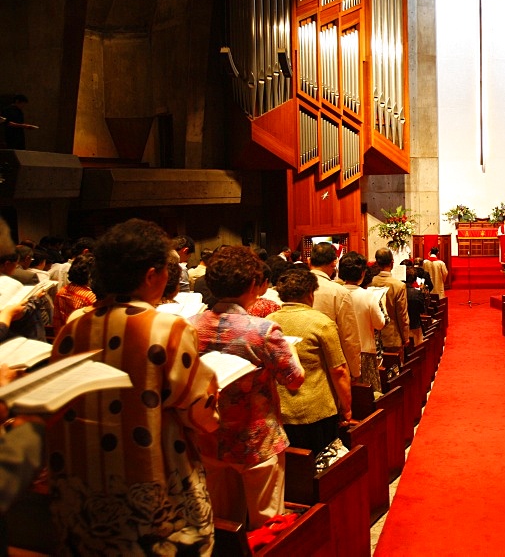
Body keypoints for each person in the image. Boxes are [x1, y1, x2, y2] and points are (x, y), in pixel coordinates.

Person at [47, 218, 220, 554]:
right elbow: (198, 411)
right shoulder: (167, 329)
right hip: (154, 487)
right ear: (152, 275)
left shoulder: (73, 328)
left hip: (82, 491)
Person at [189, 246, 304, 530]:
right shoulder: (262, 331)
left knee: (224, 522)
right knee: (266, 524)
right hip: (256, 440)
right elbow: (294, 379)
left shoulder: (190, 326)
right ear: (254, 285)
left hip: (208, 437)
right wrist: (290, 347)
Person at [266, 269, 354, 454]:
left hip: (281, 409)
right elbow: (339, 370)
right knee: (321, 464)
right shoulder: (322, 323)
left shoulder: (267, 322)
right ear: (310, 293)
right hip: (318, 409)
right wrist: (346, 407)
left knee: (294, 467)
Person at [308, 242, 362, 381]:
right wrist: (355, 371)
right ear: (334, 263)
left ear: (309, 261)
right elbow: (349, 338)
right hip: (330, 366)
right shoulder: (339, 292)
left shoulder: (292, 288)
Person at [338, 252, 387, 391]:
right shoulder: (368, 296)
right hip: (365, 350)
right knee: (368, 394)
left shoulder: (336, 293)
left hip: (341, 353)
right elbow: (380, 323)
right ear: (362, 273)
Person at [369, 248, 409, 354]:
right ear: (392, 263)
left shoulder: (370, 282)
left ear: (377, 263)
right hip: (393, 336)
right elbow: (402, 315)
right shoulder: (399, 286)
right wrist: (405, 337)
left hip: (373, 335)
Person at [52, 255, 96, 331]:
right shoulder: (90, 297)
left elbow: (57, 321)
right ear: (90, 274)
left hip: (64, 335)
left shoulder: (62, 291)